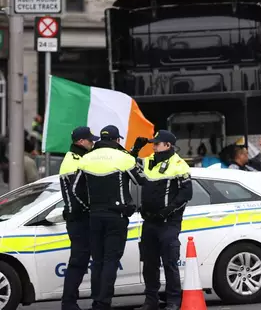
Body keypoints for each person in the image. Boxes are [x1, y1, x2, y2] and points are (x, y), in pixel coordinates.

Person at [75, 125, 145, 310]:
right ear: (117, 140)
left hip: (94, 216)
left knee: (97, 260)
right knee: (111, 260)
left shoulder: (86, 158)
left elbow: (76, 189)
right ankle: (103, 302)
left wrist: (87, 207)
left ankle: (97, 300)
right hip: (116, 216)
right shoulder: (123, 158)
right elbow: (141, 180)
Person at [132, 130, 193, 310]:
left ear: (167, 145)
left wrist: (167, 211)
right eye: (153, 143)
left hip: (168, 223)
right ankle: (151, 301)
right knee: (149, 264)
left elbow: (186, 193)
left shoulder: (179, 164)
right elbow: (130, 168)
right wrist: (135, 149)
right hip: (149, 221)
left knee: (169, 262)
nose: (153, 146)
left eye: (157, 143)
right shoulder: (150, 160)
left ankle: (174, 300)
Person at [59, 126, 99, 310]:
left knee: (81, 261)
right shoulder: (73, 161)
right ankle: (68, 303)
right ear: (80, 142)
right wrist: (90, 210)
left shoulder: (79, 157)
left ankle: (72, 301)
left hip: (80, 218)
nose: (93, 143)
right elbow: (78, 194)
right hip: (79, 218)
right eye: (90, 140)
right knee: (78, 261)